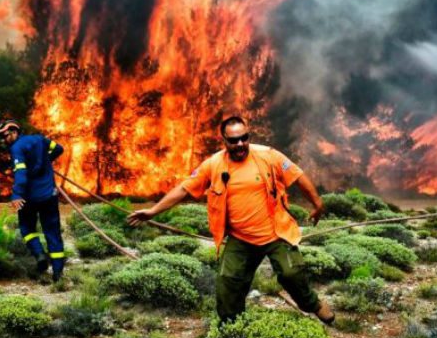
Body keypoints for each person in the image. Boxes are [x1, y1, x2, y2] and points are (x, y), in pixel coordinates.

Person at [127, 115, 334, 324]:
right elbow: (184, 189)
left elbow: (298, 176)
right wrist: (153, 211)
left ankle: (313, 305)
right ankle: (232, 327)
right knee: (227, 285)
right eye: (233, 140)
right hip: (240, 238)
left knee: (291, 275)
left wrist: (318, 204)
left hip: (276, 233)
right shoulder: (213, 164)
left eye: (244, 138)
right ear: (224, 141)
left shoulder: (268, 155)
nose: (240, 144)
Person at [0, 119, 66, 281]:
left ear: (14, 132)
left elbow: (21, 174)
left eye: (5, 136)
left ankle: (39, 254)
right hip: (49, 195)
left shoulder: (16, 148)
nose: (3, 140)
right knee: (52, 232)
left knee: (26, 228)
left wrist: (17, 195)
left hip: (30, 198)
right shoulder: (40, 139)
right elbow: (59, 149)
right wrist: (47, 161)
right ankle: (58, 273)